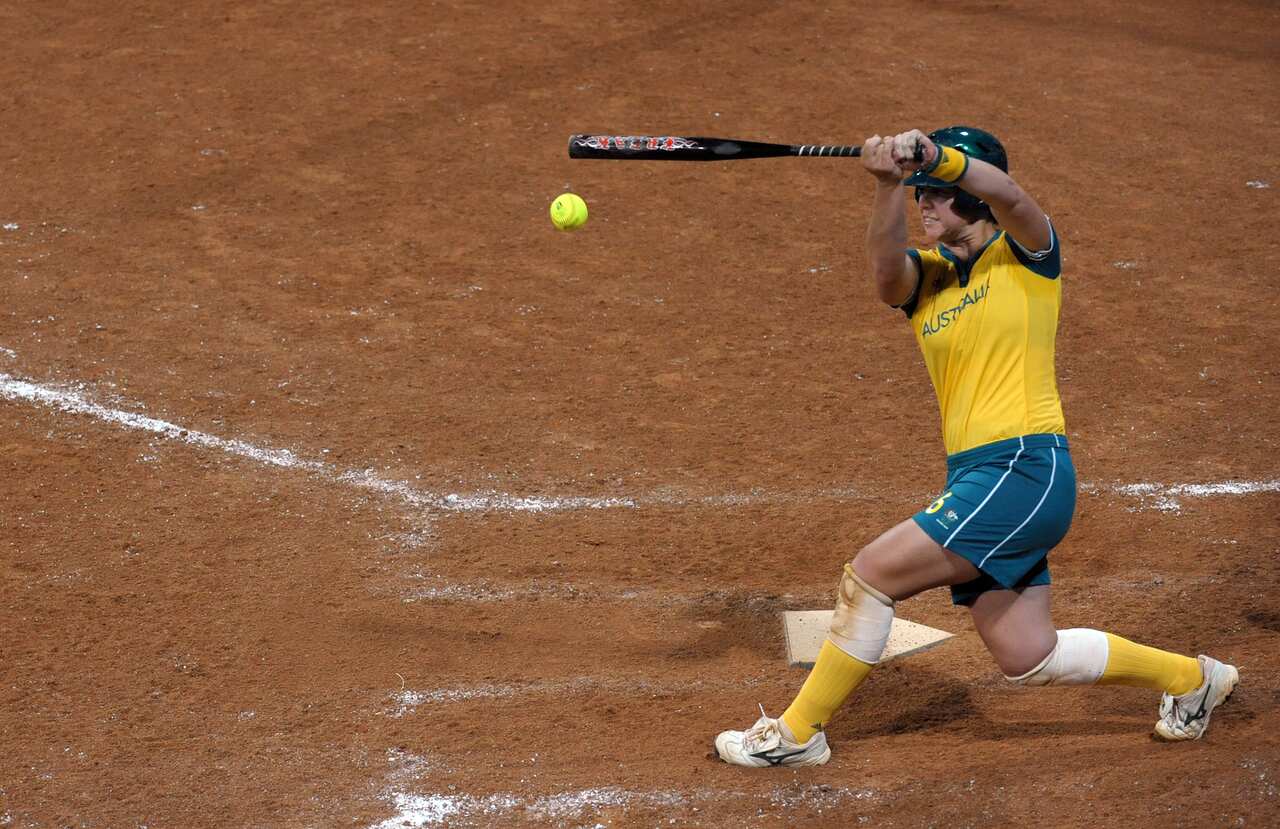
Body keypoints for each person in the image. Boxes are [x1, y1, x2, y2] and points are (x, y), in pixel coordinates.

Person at [713, 126, 1239, 767]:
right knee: (1029, 656)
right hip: (979, 476)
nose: (925, 204)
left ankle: (798, 735)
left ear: (971, 196)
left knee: (871, 576)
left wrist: (940, 159)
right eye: (920, 194)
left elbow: (1011, 194)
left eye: (936, 193)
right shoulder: (929, 277)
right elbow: (885, 276)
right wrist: (887, 185)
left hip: (1023, 468)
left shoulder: (1026, 254)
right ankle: (1193, 679)